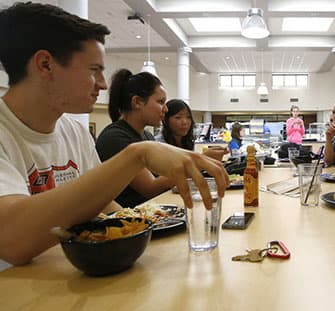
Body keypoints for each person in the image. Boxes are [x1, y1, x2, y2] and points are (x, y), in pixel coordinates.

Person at [0, 2, 228, 266]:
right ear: (45, 65)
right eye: (94, 70)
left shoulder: (74, 132)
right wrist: (138, 154)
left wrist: (147, 230)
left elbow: (101, 203)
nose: (103, 84)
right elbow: (12, 240)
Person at [95, 69, 175, 208]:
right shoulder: (115, 138)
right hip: (126, 219)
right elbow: (150, 188)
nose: (166, 109)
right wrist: (195, 165)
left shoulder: (147, 136)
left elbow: (163, 174)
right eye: (160, 102)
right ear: (137, 102)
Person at [155, 99, 227, 160]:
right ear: (165, 120)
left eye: (188, 117)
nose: (185, 122)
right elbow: (175, 171)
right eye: (178, 117)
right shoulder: (158, 144)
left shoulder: (186, 141)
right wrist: (203, 158)